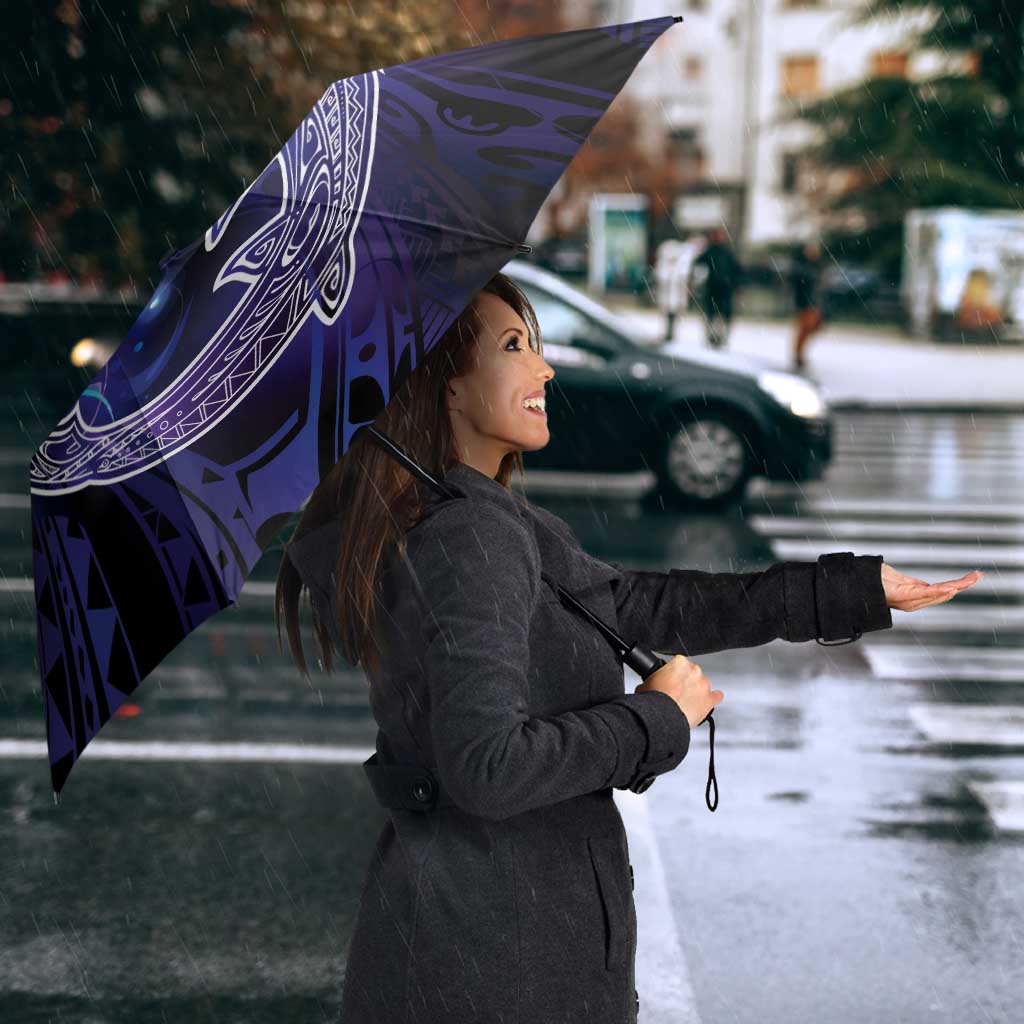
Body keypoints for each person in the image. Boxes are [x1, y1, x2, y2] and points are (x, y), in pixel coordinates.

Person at [275, 271, 972, 1024]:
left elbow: (640, 605)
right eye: (515, 346)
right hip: (498, 964)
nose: (544, 368)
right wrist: (656, 719)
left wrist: (851, 591)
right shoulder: (469, 536)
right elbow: (488, 767)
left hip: (481, 943)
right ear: (445, 385)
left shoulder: (475, 517)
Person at [692, 226, 742, 349]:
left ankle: (719, 337)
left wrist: (735, 284)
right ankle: (713, 337)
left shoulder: (725, 252)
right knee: (713, 314)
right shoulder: (712, 251)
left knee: (720, 315)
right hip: (715, 288)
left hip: (723, 288)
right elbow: (698, 264)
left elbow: (736, 270)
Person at [790, 239, 826, 370]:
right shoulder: (802, 267)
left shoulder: (817, 266)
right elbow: (799, 286)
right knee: (804, 329)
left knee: (812, 328)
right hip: (805, 303)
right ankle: (798, 355)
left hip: (814, 303)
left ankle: (799, 354)